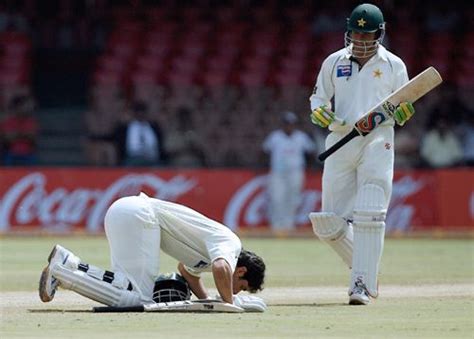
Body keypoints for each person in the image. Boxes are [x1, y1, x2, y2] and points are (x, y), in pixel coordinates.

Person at [308, 3, 415, 305]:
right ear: (348, 31)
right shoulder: (334, 61)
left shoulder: (394, 65)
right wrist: (322, 114)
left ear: (379, 34)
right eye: (356, 33)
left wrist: (404, 113)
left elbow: (403, 102)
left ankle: (361, 285)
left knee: (370, 210)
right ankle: (367, 270)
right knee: (328, 221)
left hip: (378, 139)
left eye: (367, 34)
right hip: (340, 139)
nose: (360, 39)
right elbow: (318, 97)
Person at [39, 192, 266, 312]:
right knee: (138, 298)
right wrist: (229, 302)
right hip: (141, 215)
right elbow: (221, 268)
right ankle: (62, 274)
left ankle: (71, 263)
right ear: (241, 271)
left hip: (124, 210)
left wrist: (207, 301)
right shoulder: (231, 245)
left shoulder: (215, 254)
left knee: (125, 286)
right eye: (242, 287)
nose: (238, 291)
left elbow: (187, 272)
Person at [262, 111, 316, 233]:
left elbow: (311, 151)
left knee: (293, 199)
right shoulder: (275, 136)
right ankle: (276, 226)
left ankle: (288, 225)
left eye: (291, 124)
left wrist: (310, 166)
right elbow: (265, 151)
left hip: (295, 172)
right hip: (278, 173)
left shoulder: (301, 137)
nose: (288, 126)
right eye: (286, 124)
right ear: (282, 124)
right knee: (277, 198)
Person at [113, 101, 166, 166]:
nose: (140, 114)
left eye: (142, 112)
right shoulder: (125, 128)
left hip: (152, 159)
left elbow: (160, 146)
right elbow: (119, 143)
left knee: (161, 166)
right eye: (138, 112)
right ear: (133, 113)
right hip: (132, 159)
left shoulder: (154, 127)